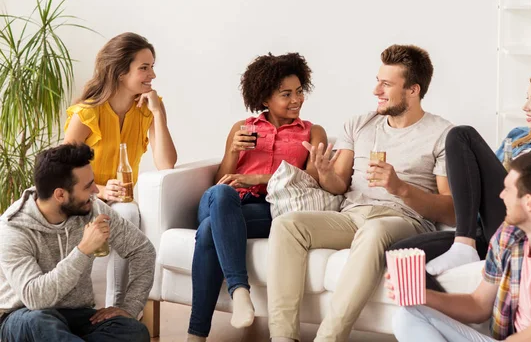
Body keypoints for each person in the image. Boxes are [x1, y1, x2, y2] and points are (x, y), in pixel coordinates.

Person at [268, 44, 455, 342]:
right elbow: (339, 184)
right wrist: (326, 174)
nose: (375, 90)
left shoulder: (443, 134)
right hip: (352, 215)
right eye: (377, 80)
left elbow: (450, 209)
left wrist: (401, 188)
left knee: (375, 230)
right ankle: (282, 338)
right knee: (287, 225)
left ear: (413, 90)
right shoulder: (360, 125)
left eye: (386, 84)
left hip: (402, 220)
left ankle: (328, 339)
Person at [389, 70, 531, 291]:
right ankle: (450, 316)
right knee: (399, 256)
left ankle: (463, 244)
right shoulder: (518, 136)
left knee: (461, 135)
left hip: (518, 225)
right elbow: (483, 179)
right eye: (527, 98)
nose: (525, 107)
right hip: (484, 228)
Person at [186, 53, 327, 342]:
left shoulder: (312, 133)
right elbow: (219, 183)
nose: (296, 99)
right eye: (286, 94)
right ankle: (240, 291)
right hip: (227, 202)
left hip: (270, 209)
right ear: (265, 99)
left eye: (299, 91)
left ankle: (197, 334)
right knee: (222, 194)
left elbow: (311, 183)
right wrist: (234, 153)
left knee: (210, 229)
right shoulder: (243, 128)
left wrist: (260, 178)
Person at [389, 152, 531, 341]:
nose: (501, 196)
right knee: (408, 314)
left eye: (507, 189)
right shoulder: (509, 235)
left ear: (529, 202)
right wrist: (421, 294)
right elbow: (478, 304)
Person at [63, 32, 177, 307]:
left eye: (152, 66)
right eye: (144, 67)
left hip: (120, 200)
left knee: (126, 210)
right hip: (82, 200)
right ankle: (113, 307)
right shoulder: (87, 114)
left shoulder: (147, 109)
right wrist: (99, 189)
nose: (152, 75)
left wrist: (158, 113)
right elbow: (62, 169)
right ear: (120, 73)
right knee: (126, 212)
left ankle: (116, 310)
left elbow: (166, 164)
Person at [0, 144, 156, 342]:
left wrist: (129, 308)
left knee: (133, 330)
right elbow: (34, 298)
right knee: (40, 323)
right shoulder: (14, 229)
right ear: (60, 195)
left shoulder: (92, 209)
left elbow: (142, 250)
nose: (95, 190)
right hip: (24, 316)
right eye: (88, 185)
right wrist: (82, 251)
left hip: (78, 315)